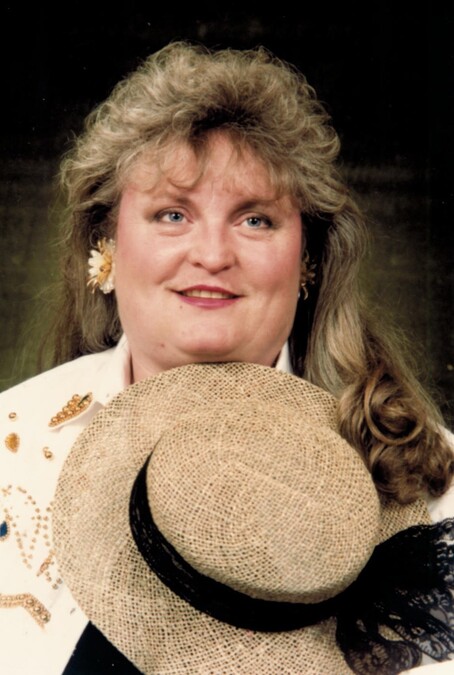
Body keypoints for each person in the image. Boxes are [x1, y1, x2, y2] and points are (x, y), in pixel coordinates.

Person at [0, 41, 452, 674]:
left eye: (255, 220)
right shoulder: (7, 446)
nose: (212, 254)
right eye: (172, 214)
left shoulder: (436, 486)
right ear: (107, 245)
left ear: (308, 260)